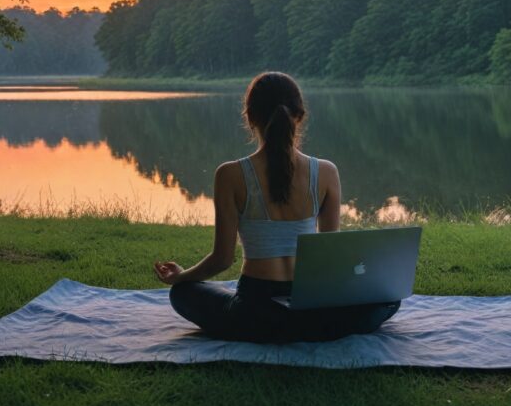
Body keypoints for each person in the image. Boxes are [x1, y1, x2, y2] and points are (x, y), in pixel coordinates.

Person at [154, 71, 400, 343]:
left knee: (183, 293)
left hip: (252, 314)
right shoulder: (326, 172)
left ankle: (277, 329)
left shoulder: (229, 175)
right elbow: (330, 257)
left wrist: (181, 277)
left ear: (250, 118)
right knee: (389, 300)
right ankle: (319, 329)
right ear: (300, 116)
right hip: (312, 314)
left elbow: (222, 259)